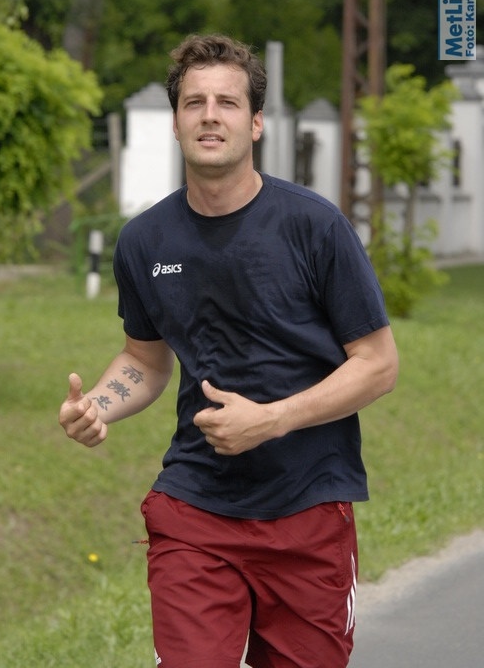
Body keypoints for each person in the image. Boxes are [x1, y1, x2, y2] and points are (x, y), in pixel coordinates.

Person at [59, 33, 399, 668]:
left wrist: (271, 419)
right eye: (194, 103)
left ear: (256, 122)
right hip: (195, 507)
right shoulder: (144, 241)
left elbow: (378, 365)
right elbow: (145, 360)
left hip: (308, 508)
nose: (209, 116)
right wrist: (98, 406)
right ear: (176, 122)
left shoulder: (315, 227)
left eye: (227, 103)